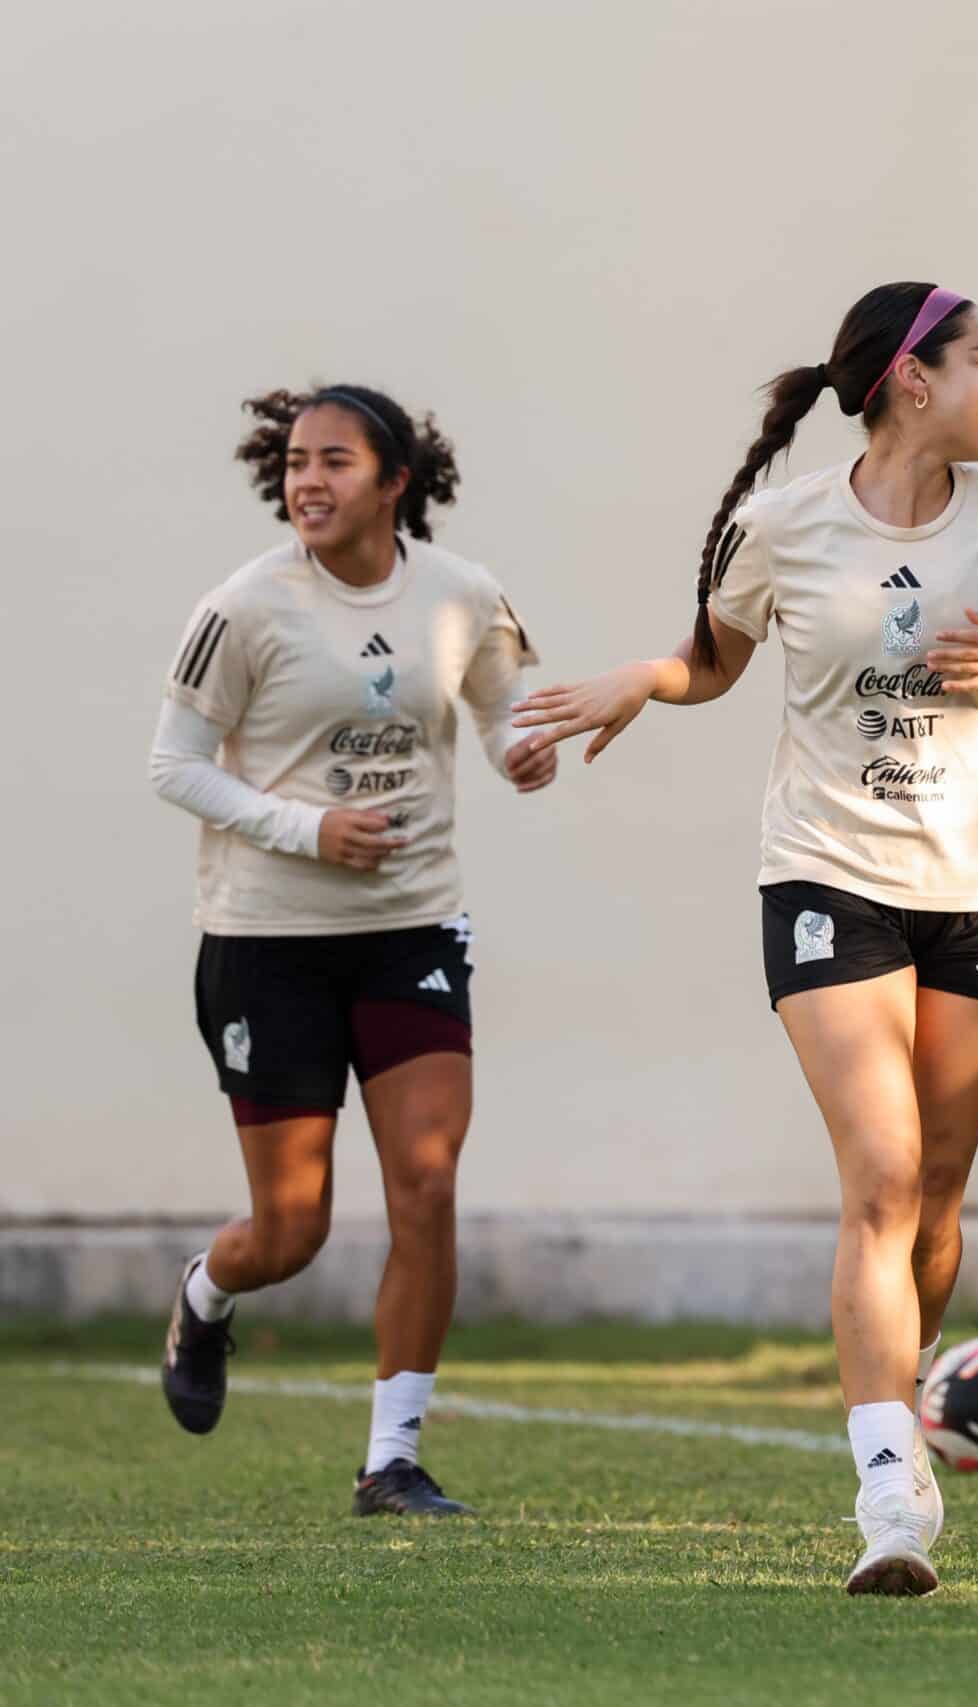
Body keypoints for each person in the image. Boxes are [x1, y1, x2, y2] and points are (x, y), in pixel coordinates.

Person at [511, 283, 978, 1597]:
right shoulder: (780, 525)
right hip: (827, 872)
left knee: (937, 1201)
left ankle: (905, 1400)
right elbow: (713, 660)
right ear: (911, 378)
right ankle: (888, 1485)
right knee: (883, 1170)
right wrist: (636, 683)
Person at [153, 384, 553, 1517]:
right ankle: (206, 1293)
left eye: (334, 461)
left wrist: (528, 753)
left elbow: (503, 711)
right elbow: (173, 765)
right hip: (266, 938)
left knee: (425, 1183)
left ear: (395, 481)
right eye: (293, 463)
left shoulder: (462, 594)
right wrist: (308, 828)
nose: (307, 482)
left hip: (412, 928)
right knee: (291, 1230)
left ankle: (393, 1460)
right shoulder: (245, 608)